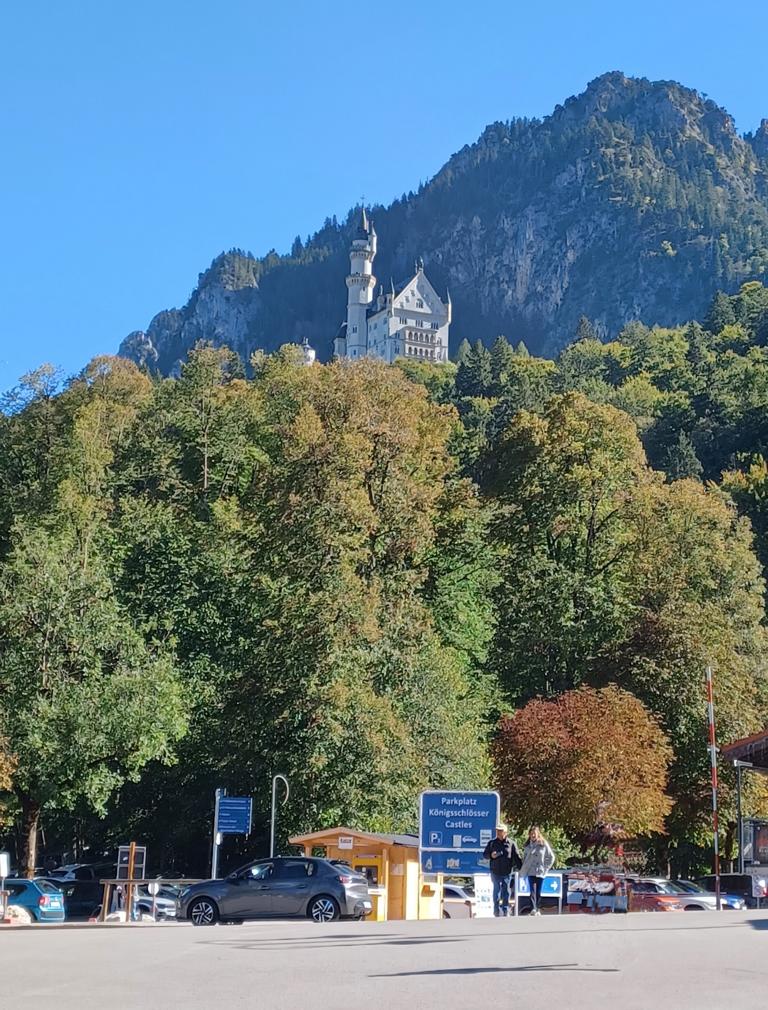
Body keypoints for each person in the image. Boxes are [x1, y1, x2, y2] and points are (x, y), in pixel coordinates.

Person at [482, 823, 521, 917]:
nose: (498, 832)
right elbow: (485, 855)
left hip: (507, 872)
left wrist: (522, 869)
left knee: (506, 892)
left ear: (505, 832)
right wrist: (491, 855)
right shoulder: (492, 843)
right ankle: (496, 911)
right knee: (496, 892)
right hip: (495, 872)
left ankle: (505, 910)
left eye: (500, 831)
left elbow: (517, 858)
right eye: (497, 831)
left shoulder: (511, 844)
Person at [519, 826, 555, 916]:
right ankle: (533, 909)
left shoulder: (543, 844)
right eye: (531, 834)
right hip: (530, 871)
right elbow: (525, 858)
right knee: (532, 891)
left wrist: (546, 868)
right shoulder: (527, 845)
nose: (533, 835)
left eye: (534, 833)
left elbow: (551, 857)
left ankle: (538, 908)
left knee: (538, 891)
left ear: (538, 834)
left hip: (540, 871)